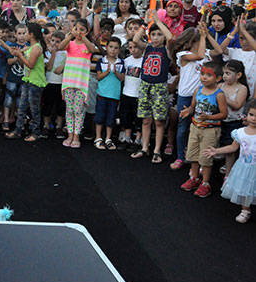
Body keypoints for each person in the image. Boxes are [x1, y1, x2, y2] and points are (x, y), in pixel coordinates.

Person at [173, 24, 220, 170]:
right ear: (191, 42)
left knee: (201, 127)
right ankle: (181, 156)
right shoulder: (182, 55)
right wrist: (203, 36)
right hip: (186, 95)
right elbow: (199, 56)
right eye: (198, 40)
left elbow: (218, 50)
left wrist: (207, 35)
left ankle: (198, 158)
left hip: (203, 96)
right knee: (183, 127)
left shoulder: (205, 52)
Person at [130, 10, 173, 163]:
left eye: (158, 34)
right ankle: (144, 147)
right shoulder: (148, 47)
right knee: (146, 119)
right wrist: (145, 23)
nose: (155, 38)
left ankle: (156, 150)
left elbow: (170, 37)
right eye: (153, 34)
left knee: (159, 120)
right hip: (145, 85)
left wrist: (159, 22)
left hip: (160, 87)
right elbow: (135, 39)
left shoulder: (166, 49)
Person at [180, 61, 227, 198]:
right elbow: (193, 106)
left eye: (208, 75)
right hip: (195, 127)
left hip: (210, 130)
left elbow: (224, 114)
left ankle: (205, 183)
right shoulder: (197, 90)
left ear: (218, 78)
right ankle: (194, 178)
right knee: (193, 155)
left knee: (206, 157)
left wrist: (209, 116)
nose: (204, 77)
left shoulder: (219, 94)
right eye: (202, 74)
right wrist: (188, 111)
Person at [205, 98, 256, 223]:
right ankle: (245, 210)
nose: (254, 118)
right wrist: (216, 151)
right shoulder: (240, 133)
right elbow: (233, 147)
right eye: (251, 115)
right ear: (246, 114)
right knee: (245, 188)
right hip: (244, 167)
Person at [5, 22, 47, 142]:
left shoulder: (36, 48)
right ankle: (18, 130)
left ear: (32, 35)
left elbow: (30, 65)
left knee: (34, 109)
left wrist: (20, 55)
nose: (25, 35)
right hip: (28, 80)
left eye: (27, 32)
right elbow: (24, 64)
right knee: (22, 107)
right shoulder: (31, 48)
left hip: (35, 82)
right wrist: (19, 55)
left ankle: (35, 132)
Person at [58, 19, 97, 148]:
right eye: (77, 28)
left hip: (81, 84)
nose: (79, 32)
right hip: (68, 82)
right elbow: (60, 47)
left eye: (82, 29)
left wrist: (84, 37)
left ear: (87, 31)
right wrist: (70, 35)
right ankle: (70, 135)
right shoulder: (70, 43)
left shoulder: (87, 44)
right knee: (69, 110)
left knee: (79, 110)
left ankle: (76, 136)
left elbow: (92, 49)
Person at [218, 60, 249, 177]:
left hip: (235, 122)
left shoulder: (242, 88)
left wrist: (224, 97)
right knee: (221, 141)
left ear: (238, 75)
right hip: (221, 119)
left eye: (228, 73)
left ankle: (228, 171)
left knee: (231, 147)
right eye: (224, 73)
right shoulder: (221, 85)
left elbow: (237, 105)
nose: (224, 76)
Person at [93, 37, 125, 150]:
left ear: (119, 49)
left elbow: (122, 78)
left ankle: (108, 138)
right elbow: (98, 77)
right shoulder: (101, 61)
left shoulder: (121, 62)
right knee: (100, 116)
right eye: (111, 47)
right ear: (106, 47)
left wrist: (116, 72)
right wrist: (107, 71)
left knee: (111, 118)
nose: (113, 50)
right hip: (102, 94)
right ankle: (98, 137)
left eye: (116, 48)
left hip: (114, 95)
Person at [41, 30, 66, 139]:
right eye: (53, 40)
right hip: (49, 82)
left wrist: (63, 67)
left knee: (61, 106)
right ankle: (46, 125)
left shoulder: (66, 53)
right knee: (47, 105)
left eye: (58, 41)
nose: (54, 43)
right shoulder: (47, 53)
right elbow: (49, 67)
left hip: (62, 83)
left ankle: (59, 125)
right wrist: (53, 55)